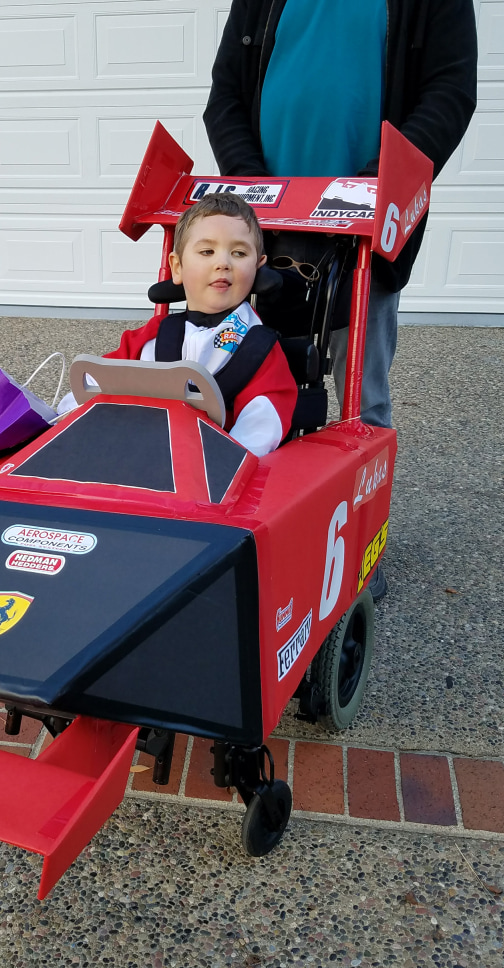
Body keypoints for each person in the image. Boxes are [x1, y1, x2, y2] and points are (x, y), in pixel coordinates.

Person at [204, 0, 477, 598]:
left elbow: (451, 90)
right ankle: (250, 544)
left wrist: (381, 179)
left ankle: (358, 552)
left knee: (362, 403)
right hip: (266, 230)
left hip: (366, 225)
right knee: (249, 388)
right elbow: (224, 95)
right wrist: (256, 191)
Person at [58, 193, 298, 457]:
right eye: (207, 251)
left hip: (213, 470)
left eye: (239, 253)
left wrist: (226, 462)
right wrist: (67, 416)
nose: (223, 263)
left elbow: (262, 421)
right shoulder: (152, 336)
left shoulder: (258, 348)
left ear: (258, 266)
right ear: (177, 266)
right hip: (143, 456)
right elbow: (99, 379)